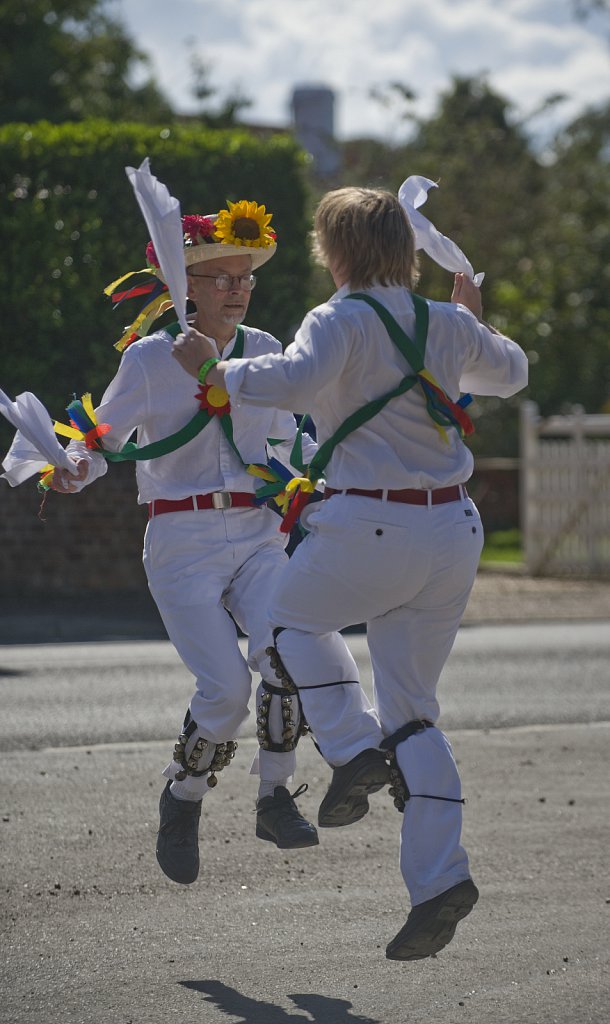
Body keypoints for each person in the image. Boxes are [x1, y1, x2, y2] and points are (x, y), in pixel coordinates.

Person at [171, 185, 529, 958]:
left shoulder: (336, 318)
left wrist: (216, 369)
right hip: (453, 529)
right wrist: (472, 314)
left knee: (286, 623)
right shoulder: (444, 320)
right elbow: (513, 373)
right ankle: (439, 878)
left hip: (370, 519)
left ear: (336, 252)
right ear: (406, 250)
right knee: (418, 712)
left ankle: (353, 747)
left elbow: (290, 384)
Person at [50, 198, 321, 886]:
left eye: (245, 277)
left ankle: (274, 795)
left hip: (259, 537)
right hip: (182, 539)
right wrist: (75, 468)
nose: (237, 289)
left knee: (289, 652)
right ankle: (184, 793)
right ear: (187, 287)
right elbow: (101, 439)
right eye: (223, 277)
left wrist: (313, 478)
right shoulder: (148, 359)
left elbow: (293, 439)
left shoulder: (265, 351)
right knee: (226, 691)